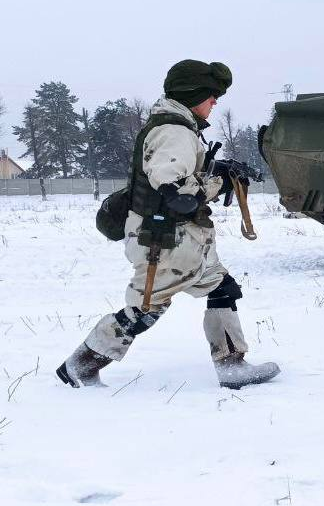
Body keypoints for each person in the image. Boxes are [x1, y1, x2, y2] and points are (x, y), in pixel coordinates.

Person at [57, 60, 280, 390]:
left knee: (222, 289)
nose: (215, 101)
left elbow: (178, 174)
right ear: (192, 94)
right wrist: (219, 180)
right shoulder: (174, 131)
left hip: (184, 241)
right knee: (143, 311)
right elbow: (179, 194)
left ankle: (232, 367)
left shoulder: (179, 127)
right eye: (210, 95)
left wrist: (221, 168)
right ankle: (80, 365)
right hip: (164, 242)